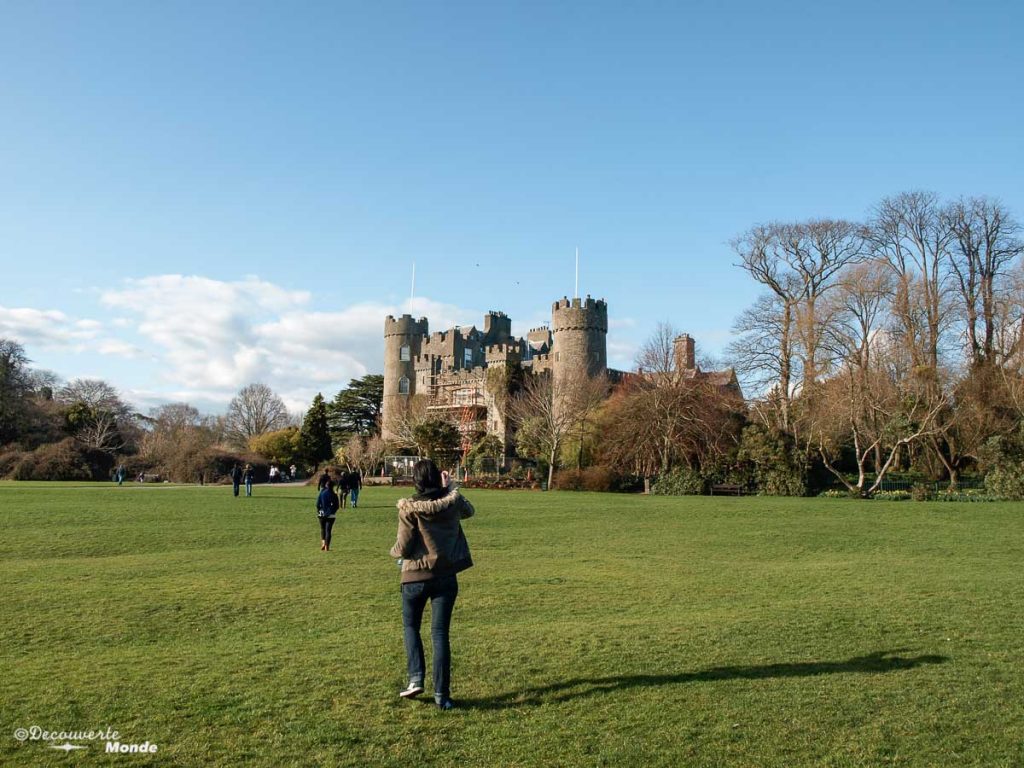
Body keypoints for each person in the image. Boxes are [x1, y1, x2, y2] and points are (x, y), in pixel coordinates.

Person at [389, 459, 474, 711]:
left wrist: (393, 553)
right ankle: (442, 694)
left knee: (411, 627)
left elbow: (403, 546)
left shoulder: (409, 508)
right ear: (439, 478)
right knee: (440, 634)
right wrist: (451, 489)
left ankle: (416, 678)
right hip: (445, 576)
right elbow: (469, 511)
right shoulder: (452, 503)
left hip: (414, 576)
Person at [316, 479, 340, 551]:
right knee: (328, 530)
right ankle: (327, 546)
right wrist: (332, 511)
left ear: (326, 485)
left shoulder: (322, 493)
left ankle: (323, 542)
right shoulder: (334, 495)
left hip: (321, 513)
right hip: (331, 515)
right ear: (333, 486)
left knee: (322, 529)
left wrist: (319, 510)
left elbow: (317, 504)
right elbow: (337, 506)